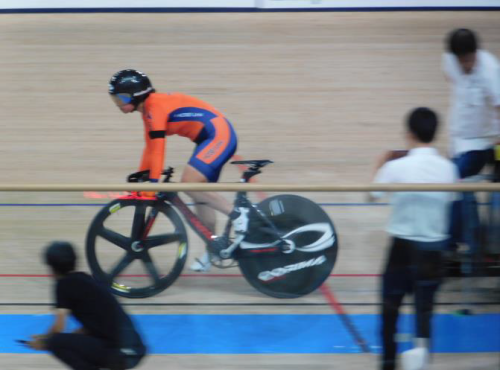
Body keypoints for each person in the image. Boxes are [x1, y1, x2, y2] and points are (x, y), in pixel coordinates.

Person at [108, 69, 248, 272]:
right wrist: (140, 176)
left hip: (218, 135)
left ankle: (239, 216)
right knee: (200, 199)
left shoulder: (154, 107)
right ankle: (214, 248)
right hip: (210, 137)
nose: (118, 104)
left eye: (120, 98)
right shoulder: (147, 110)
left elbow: (158, 151)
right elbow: (149, 148)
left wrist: (153, 184)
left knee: (188, 183)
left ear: (135, 94)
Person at [371, 108, 458, 370]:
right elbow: (452, 201)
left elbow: (373, 195)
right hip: (434, 251)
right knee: (424, 314)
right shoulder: (449, 169)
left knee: (390, 311)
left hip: (402, 248)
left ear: (409, 133)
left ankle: (388, 363)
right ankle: (421, 363)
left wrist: (381, 162)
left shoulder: (396, 166)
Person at [27, 241, 146, 370]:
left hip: (117, 353)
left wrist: (44, 342)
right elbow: (92, 325)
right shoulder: (87, 280)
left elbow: (58, 328)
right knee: (65, 341)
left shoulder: (63, 285)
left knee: (56, 342)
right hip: (133, 351)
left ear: (51, 268)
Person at [442, 28, 500, 253]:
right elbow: (450, 78)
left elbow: (498, 108)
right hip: (458, 140)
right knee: (457, 186)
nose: (466, 65)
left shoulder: (490, 71)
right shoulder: (448, 60)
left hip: (483, 143)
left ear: (476, 52)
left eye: (469, 59)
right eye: (462, 61)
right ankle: (471, 237)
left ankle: (460, 241)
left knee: (456, 181)